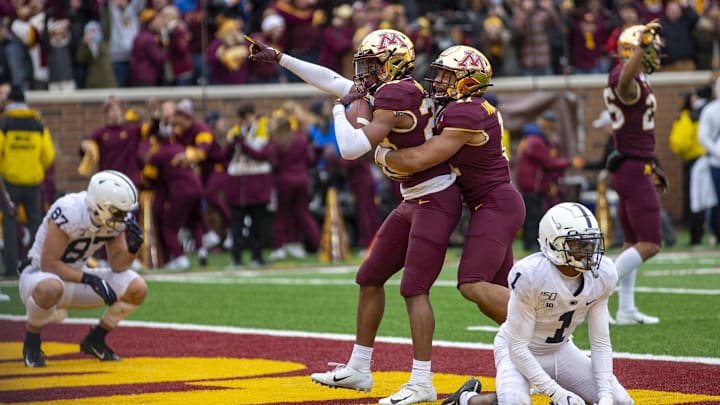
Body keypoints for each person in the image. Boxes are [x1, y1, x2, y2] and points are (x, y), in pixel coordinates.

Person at [249, 29, 462, 404]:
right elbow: (332, 79)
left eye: (371, 64)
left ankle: (423, 381)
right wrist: (280, 58)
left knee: (413, 289)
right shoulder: (396, 88)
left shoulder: (396, 93)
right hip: (413, 197)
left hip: (435, 197)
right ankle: (360, 368)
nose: (364, 72)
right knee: (370, 277)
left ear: (394, 63)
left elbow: (350, 149)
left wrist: (337, 108)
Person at [375, 45, 524, 327]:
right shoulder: (458, 108)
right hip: (489, 204)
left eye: (447, 76)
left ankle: (549, 329)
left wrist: (382, 155)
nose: (439, 81)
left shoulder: (468, 111)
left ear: (469, 80)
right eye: (440, 74)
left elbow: (421, 158)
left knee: (472, 284)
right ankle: (535, 349)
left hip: (496, 202)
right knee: (496, 292)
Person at [441, 203, 633, 405]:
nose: (587, 251)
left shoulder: (603, 273)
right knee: (515, 402)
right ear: (552, 244)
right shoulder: (532, 274)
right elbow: (517, 347)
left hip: (561, 350)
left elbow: (600, 342)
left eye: (590, 243)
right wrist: (556, 394)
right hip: (517, 352)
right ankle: (467, 399)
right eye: (577, 244)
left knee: (621, 402)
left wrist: (605, 396)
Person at [18, 170, 147, 367]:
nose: (124, 217)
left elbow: (117, 265)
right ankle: (32, 342)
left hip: (74, 278)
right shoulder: (70, 210)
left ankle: (95, 339)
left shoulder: (109, 218)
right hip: (38, 276)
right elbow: (49, 264)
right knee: (51, 288)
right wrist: (90, 279)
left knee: (137, 288)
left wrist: (133, 248)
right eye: (119, 212)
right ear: (100, 204)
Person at [601, 20, 665, 325]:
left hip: (635, 164)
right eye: (649, 49)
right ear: (632, 49)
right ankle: (592, 292)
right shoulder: (623, 76)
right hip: (632, 168)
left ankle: (625, 310)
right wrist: (641, 48)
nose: (655, 54)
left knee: (631, 242)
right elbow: (624, 81)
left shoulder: (634, 76)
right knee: (650, 243)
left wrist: (655, 163)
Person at [0, 86, 56, 277]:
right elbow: (49, 155)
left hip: (9, 181)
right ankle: (37, 266)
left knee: (9, 223)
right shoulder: (38, 124)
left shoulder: (4, 123)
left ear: (9, 102)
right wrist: (35, 168)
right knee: (36, 224)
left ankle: (10, 269)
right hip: (33, 182)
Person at [698, 76, 720, 246]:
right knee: (717, 200)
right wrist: (717, 152)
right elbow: (703, 137)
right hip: (716, 163)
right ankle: (716, 232)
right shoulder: (710, 110)